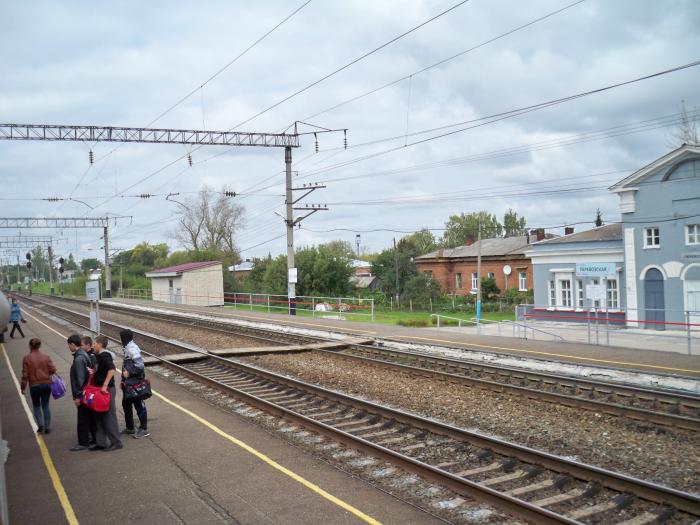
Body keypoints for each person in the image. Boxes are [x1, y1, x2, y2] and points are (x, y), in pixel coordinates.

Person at [20, 338, 57, 434]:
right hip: (46, 384)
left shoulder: (27, 358)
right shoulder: (46, 357)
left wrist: (22, 388)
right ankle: (48, 427)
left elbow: (25, 375)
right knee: (45, 405)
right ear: (40, 346)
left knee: (36, 405)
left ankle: (40, 425)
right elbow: (53, 369)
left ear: (30, 346)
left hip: (34, 386)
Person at [92, 335, 122, 451]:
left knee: (109, 416)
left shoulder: (105, 356)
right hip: (99, 390)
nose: (93, 345)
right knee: (99, 415)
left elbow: (111, 369)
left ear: (100, 344)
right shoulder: (98, 356)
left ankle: (116, 442)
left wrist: (104, 385)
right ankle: (101, 442)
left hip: (107, 390)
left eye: (95, 343)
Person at [120, 329, 150, 439]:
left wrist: (129, 373)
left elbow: (140, 365)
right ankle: (130, 427)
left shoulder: (132, 349)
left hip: (135, 382)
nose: (121, 339)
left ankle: (143, 429)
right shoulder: (127, 347)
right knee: (126, 403)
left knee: (138, 404)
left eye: (122, 337)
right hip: (128, 383)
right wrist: (123, 380)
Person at [67, 334, 91, 451]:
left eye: (68, 345)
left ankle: (83, 442)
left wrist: (77, 396)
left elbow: (80, 379)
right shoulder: (83, 355)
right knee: (86, 417)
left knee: (82, 418)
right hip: (86, 392)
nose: (68, 347)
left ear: (72, 344)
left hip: (82, 394)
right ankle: (88, 439)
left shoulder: (78, 359)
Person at [81, 335, 99, 448]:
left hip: (91, 389)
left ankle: (95, 437)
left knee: (92, 414)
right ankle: (93, 435)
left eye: (82, 345)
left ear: (88, 345)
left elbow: (93, 372)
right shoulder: (88, 355)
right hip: (90, 388)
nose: (80, 347)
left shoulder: (91, 356)